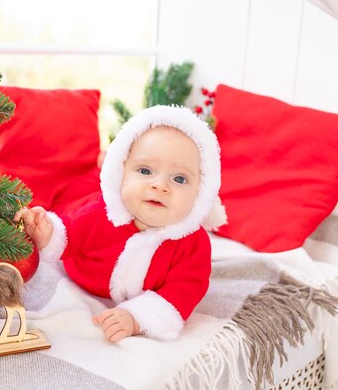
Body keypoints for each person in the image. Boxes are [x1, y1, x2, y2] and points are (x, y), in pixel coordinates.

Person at [15, 105, 224, 343]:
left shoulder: (192, 244)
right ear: (121, 172)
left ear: (202, 192)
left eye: (179, 179)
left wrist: (136, 318)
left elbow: (183, 292)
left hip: (136, 299)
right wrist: (48, 234)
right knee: (62, 209)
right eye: (145, 170)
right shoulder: (103, 213)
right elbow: (68, 236)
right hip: (82, 275)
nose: (160, 185)